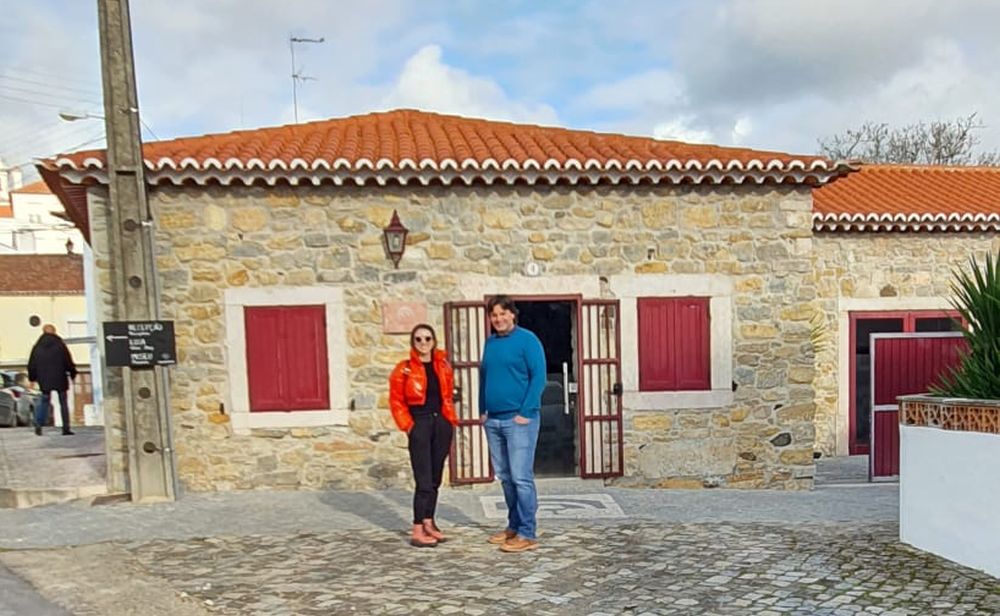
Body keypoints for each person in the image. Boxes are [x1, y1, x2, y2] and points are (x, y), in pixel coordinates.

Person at [479, 295, 547, 553]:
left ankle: (528, 533)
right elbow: (484, 378)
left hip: (519, 420)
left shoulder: (527, 340)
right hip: (493, 420)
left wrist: (526, 411)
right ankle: (513, 525)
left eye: (502, 314)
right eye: (494, 315)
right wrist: (482, 410)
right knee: (506, 478)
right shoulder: (491, 343)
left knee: (521, 477)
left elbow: (538, 376)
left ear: (512, 314)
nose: (498, 319)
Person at [388, 323, 458, 548]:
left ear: (434, 341)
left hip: (441, 424)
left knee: (436, 477)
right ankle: (417, 527)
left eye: (427, 339)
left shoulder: (443, 366)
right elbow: (396, 401)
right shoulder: (404, 369)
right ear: (413, 343)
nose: (423, 343)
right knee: (424, 480)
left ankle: (429, 520)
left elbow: (447, 395)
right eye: (418, 339)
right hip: (420, 424)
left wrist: (449, 421)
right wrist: (409, 426)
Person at [27, 324, 78, 436]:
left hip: (44, 379)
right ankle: (66, 428)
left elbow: (32, 364)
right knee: (63, 403)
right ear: (54, 331)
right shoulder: (60, 345)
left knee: (44, 401)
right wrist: (73, 373)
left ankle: (39, 425)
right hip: (60, 377)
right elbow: (68, 361)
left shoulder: (37, 347)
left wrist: (32, 378)